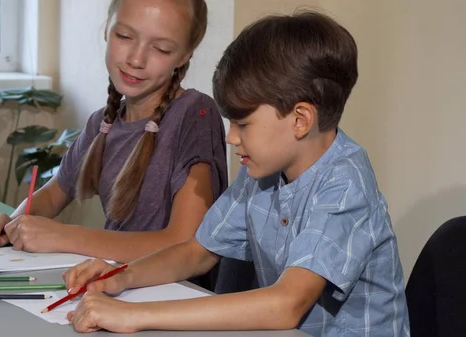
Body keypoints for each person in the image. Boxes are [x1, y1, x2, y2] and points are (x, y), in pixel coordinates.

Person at [62, 10, 410, 336]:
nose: (230, 137)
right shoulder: (263, 169)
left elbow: (287, 304)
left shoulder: (345, 185)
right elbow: (198, 251)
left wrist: (134, 315)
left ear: (300, 120)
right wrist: (121, 277)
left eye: (243, 124)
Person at [0, 0, 228, 272]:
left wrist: (64, 236)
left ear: (185, 55)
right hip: (111, 291)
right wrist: (12, 224)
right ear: (107, 29)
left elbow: (184, 243)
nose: (136, 59)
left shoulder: (195, 114)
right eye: (125, 36)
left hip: (173, 298)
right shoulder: (102, 123)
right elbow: (52, 195)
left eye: (161, 48)